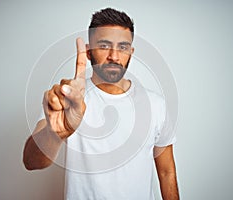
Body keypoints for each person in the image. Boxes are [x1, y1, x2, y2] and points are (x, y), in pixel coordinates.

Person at [23, 8, 179, 200]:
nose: (114, 56)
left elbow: (166, 173)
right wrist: (55, 134)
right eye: (105, 46)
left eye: (122, 47)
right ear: (88, 52)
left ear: (131, 52)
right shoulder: (68, 100)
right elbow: (31, 161)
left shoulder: (156, 105)